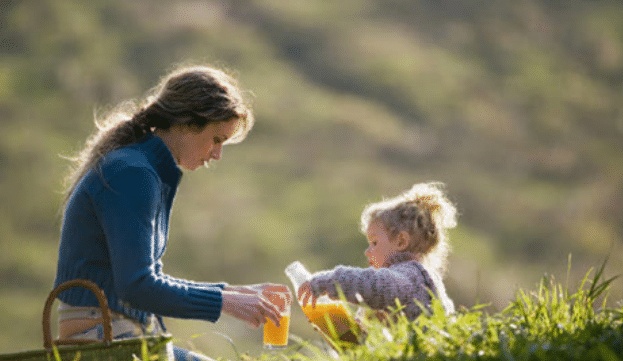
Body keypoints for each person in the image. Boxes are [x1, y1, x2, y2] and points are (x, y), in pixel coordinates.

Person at [53, 64, 290, 361]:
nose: (217, 154)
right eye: (216, 140)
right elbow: (138, 286)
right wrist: (224, 301)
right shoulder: (133, 173)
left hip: (119, 333)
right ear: (187, 123)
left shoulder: (141, 168)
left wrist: (235, 293)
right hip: (103, 338)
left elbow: (147, 279)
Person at [298, 182, 457, 336]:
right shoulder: (406, 283)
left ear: (401, 241)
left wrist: (328, 281)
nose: (367, 252)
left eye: (374, 243)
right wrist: (346, 334)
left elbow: (372, 283)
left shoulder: (411, 276)